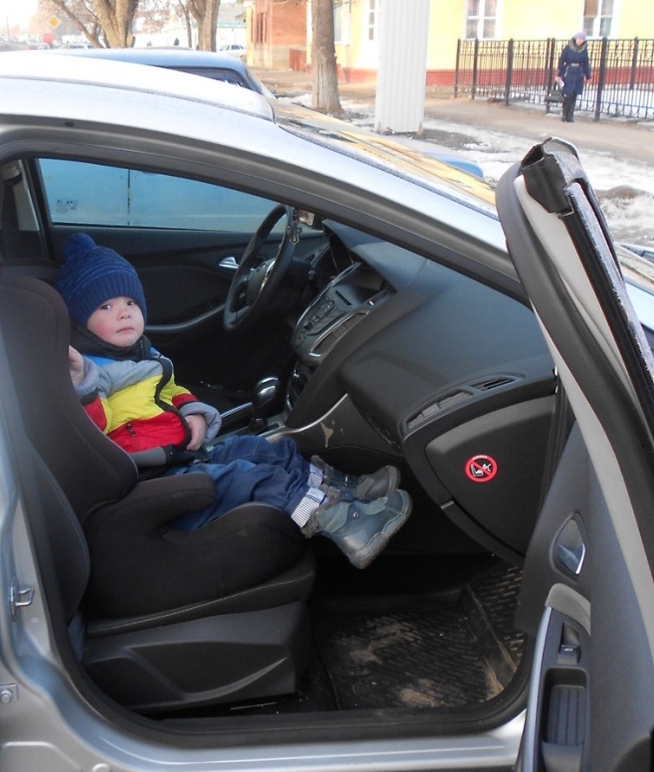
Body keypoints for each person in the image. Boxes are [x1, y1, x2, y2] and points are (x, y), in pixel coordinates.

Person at [56, 233, 412, 569]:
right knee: (251, 476)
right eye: (106, 306)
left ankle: (347, 491)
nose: (124, 312)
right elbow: (92, 428)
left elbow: (169, 390)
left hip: (180, 454)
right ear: (81, 323)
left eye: (130, 302)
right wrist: (82, 385)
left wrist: (191, 410)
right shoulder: (88, 373)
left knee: (261, 449)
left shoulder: (141, 355)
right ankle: (341, 524)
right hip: (150, 476)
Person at [556, 31, 592, 123]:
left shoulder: (584, 50)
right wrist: (558, 74)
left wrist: (588, 76)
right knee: (568, 94)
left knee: (575, 94)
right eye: (579, 39)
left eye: (582, 39)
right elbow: (562, 61)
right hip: (568, 72)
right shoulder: (568, 48)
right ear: (575, 38)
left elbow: (586, 64)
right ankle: (564, 113)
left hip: (578, 74)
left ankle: (570, 116)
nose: (580, 41)